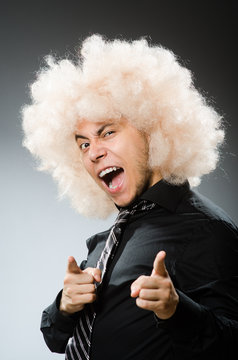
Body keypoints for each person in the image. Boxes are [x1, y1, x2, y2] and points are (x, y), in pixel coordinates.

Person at [22, 35, 238, 360]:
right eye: (83, 143)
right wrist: (64, 305)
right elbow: (54, 337)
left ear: (152, 129)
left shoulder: (208, 229)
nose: (93, 152)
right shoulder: (103, 244)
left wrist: (177, 311)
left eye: (107, 132)